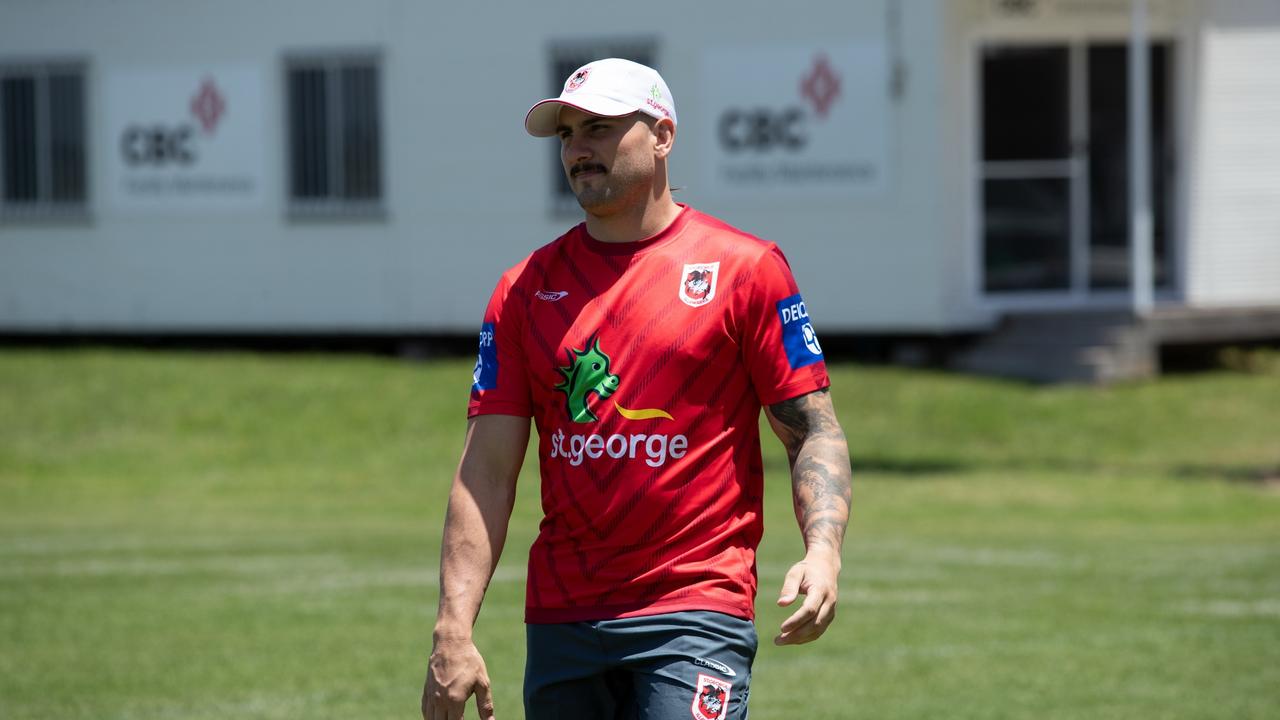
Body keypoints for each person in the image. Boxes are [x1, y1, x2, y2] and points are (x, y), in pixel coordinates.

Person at [422, 58, 852, 720]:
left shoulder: (746, 269)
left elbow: (812, 429)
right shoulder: (524, 291)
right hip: (563, 620)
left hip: (696, 612)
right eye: (567, 133)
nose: (578, 148)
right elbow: (485, 473)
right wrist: (453, 629)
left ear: (662, 136)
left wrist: (822, 553)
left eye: (599, 127)